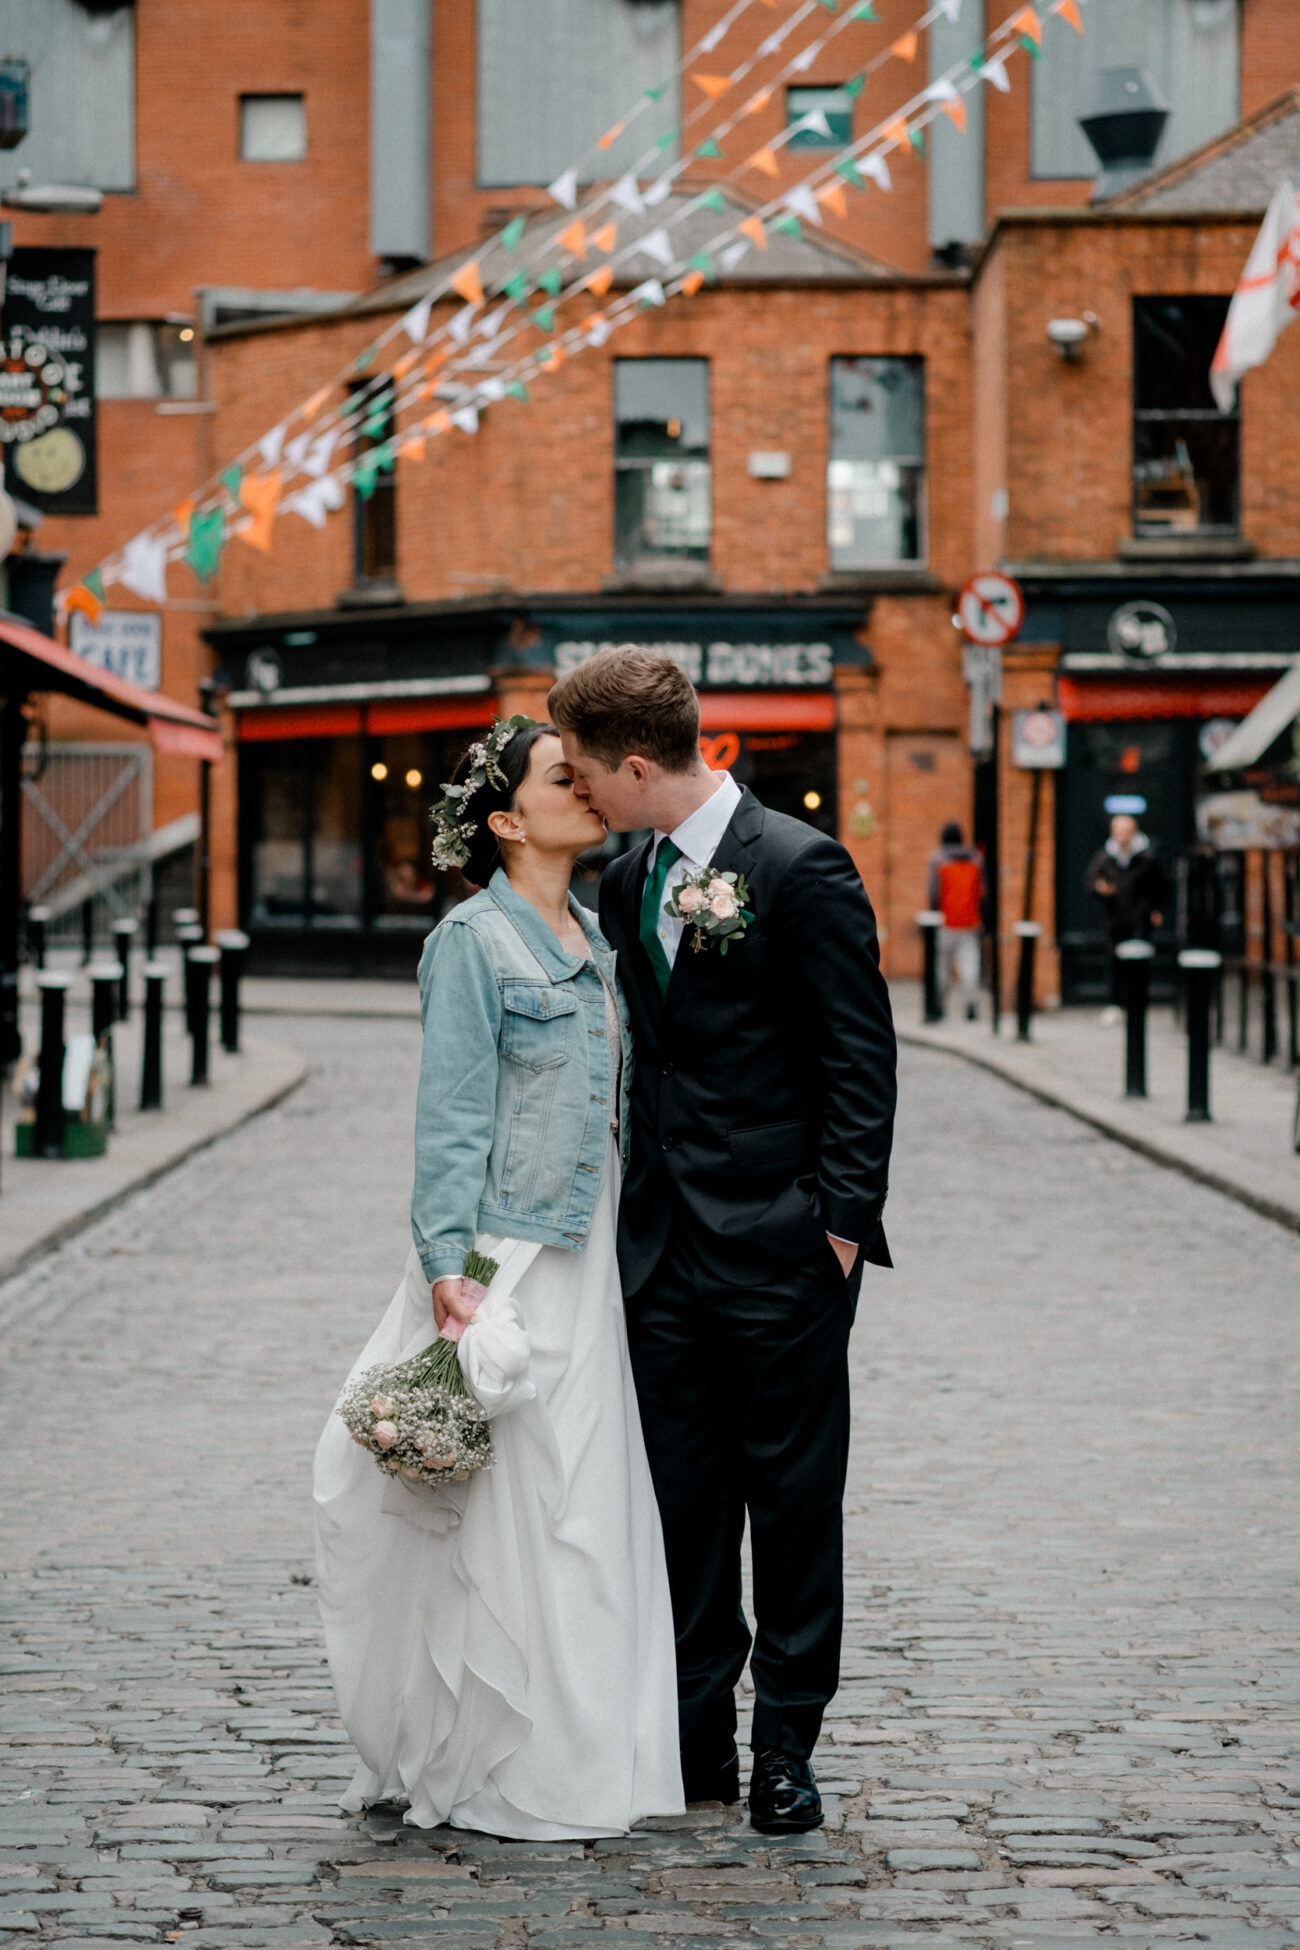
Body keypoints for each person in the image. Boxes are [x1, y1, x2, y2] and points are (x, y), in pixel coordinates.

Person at [314, 717, 683, 1839]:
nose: (584, 791)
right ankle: (491, 1759)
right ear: (508, 821)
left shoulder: (595, 933)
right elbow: (452, 1118)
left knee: (582, 1505)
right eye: (560, 779)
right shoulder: (471, 942)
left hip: (592, 1258)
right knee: (513, 1509)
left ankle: (581, 1751)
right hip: (511, 1253)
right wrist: (448, 1274)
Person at [549, 647, 897, 1837]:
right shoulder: (621, 876)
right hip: (659, 1258)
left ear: (637, 763)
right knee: (682, 1504)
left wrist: (838, 1231)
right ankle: (694, 1735)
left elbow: (860, 1062)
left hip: (784, 1249)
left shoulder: (799, 868)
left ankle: (786, 1743)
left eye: (590, 775)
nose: (582, 794)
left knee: (793, 1501)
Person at [1085, 808, 1168, 1019]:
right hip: (1115, 918)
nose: (1121, 835)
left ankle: (1138, 1004)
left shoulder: (1147, 857)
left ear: (1134, 832)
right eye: (1118, 831)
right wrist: (1100, 888)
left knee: (1139, 962)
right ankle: (1115, 1004)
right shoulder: (1105, 857)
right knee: (1115, 963)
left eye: (1125, 831)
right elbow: (1090, 881)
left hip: (1140, 917)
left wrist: (1157, 909)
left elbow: (1161, 885)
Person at [927, 820, 986, 1021]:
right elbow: (983, 893)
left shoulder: (938, 860)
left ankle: (940, 1005)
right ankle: (971, 1004)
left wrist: (934, 912)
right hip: (970, 921)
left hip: (946, 921)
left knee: (942, 967)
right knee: (970, 965)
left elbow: (934, 893)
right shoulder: (976, 860)